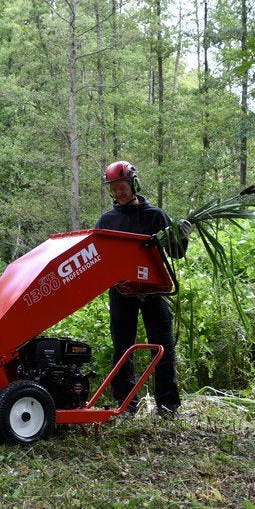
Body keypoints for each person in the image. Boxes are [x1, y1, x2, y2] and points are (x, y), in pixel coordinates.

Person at [95, 160, 189, 417]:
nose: (118, 193)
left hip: (154, 291)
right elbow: (100, 258)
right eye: (113, 189)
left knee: (163, 346)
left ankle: (168, 406)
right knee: (122, 347)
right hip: (122, 292)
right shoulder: (107, 220)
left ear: (133, 184)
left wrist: (181, 236)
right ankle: (126, 405)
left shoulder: (156, 216)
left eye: (122, 187)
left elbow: (177, 253)